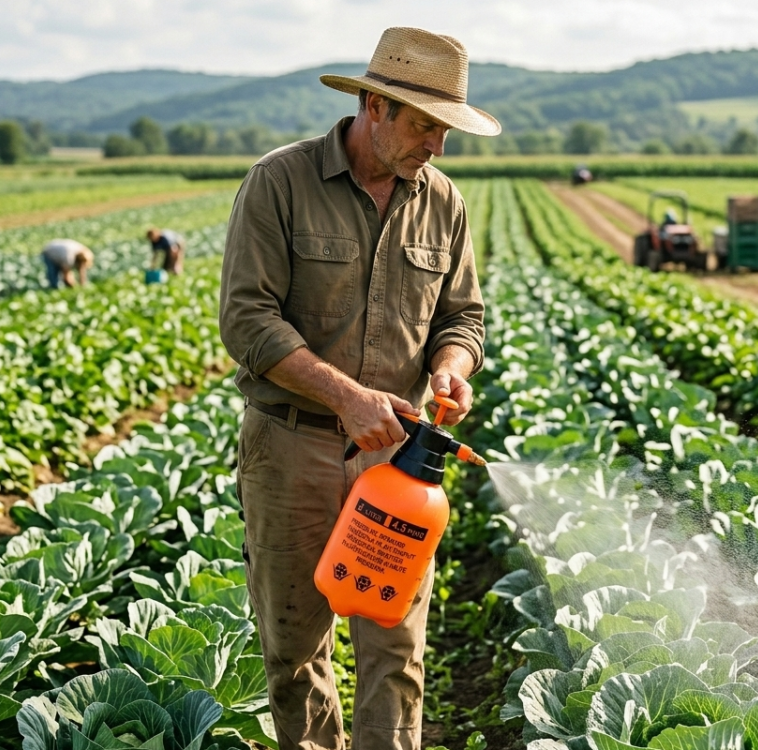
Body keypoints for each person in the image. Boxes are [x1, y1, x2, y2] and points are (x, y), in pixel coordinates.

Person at [218, 26, 500, 750]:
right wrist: (346, 397)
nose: (438, 146)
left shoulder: (443, 201)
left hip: (398, 466)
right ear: (375, 106)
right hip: (294, 449)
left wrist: (451, 366)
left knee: (395, 647)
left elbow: (462, 317)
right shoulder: (279, 182)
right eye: (425, 126)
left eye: (446, 130)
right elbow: (248, 319)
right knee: (293, 649)